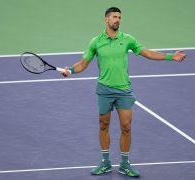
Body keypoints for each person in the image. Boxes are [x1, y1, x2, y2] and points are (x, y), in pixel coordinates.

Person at [62, 7, 187, 177]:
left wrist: (171, 56)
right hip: (104, 90)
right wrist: (70, 70)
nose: (117, 20)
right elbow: (83, 63)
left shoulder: (127, 39)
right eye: (114, 17)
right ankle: (105, 163)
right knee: (103, 125)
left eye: (119, 17)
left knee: (126, 127)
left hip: (124, 91)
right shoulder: (95, 42)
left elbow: (148, 53)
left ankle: (124, 164)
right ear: (106, 19)